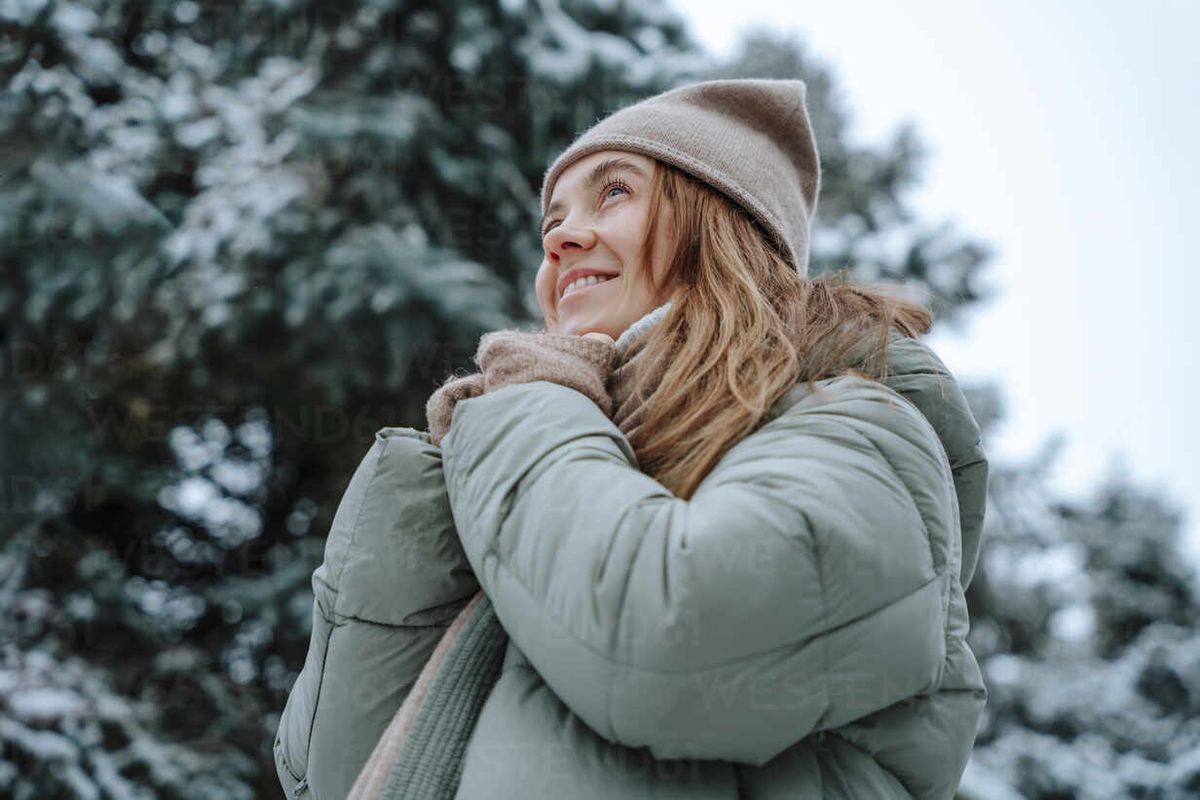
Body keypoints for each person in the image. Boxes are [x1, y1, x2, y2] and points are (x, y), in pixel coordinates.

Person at [274, 78, 989, 800]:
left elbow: (671, 647)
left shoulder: (860, 433)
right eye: (552, 220)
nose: (559, 236)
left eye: (613, 193)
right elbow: (324, 775)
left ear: (720, 225)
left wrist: (531, 405)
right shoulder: (563, 463)